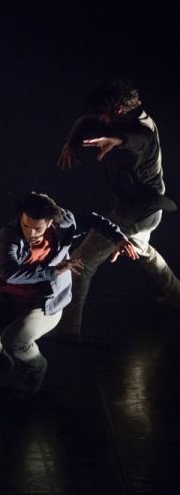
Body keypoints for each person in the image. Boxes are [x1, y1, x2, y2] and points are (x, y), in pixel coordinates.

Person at [0, 192, 137, 393]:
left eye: (37, 229)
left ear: (49, 223)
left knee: (14, 340)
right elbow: (11, 274)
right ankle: (3, 365)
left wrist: (119, 238)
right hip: (12, 295)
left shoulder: (64, 224)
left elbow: (94, 219)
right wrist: (53, 271)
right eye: (26, 225)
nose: (30, 233)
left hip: (45, 301)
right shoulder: (10, 234)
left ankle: (36, 367)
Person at [56, 79, 180, 342]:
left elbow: (134, 141)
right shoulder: (118, 119)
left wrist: (115, 139)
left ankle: (69, 329)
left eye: (106, 114)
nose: (102, 118)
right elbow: (85, 121)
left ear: (121, 109)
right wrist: (71, 142)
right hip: (139, 209)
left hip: (137, 212)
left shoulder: (142, 132)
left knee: (82, 263)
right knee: (143, 251)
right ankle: (176, 295)